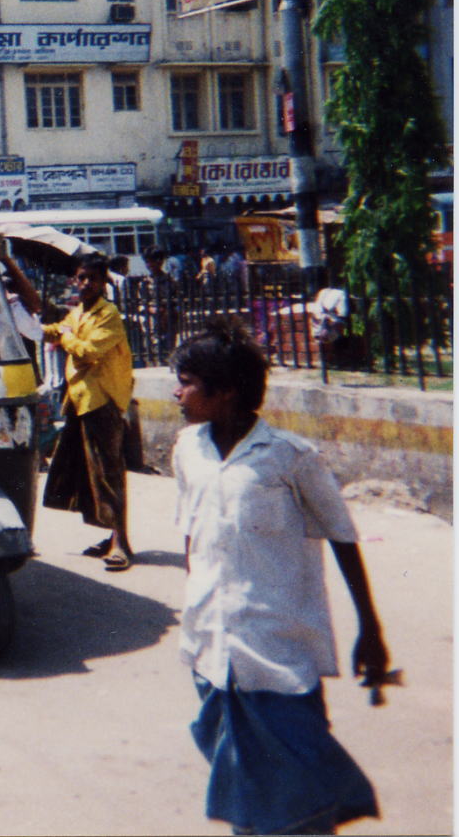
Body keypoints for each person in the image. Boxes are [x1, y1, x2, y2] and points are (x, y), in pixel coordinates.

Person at [170, 318, 390, 835]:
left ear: (225, 392)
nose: (177, 392)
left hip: (278, 649)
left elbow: (342, 537)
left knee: (300, 785)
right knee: (245, 785)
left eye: (189, 382)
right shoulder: (187, 450)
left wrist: (371, 631)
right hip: (211, 646)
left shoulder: (289, 458)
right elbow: (192, 534)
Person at [42, 256, 137, 571]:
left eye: (91, 279)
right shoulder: (77, 312)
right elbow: (53, 330)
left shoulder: (108, 315)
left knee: (110, 472)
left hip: (103, 401)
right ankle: (111, 537)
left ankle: (121, 543)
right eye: (81, 278)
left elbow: (89, 351)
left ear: (103, 282)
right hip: (81, 399)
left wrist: (66, 336)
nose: (85, 284)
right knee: (90, 474)